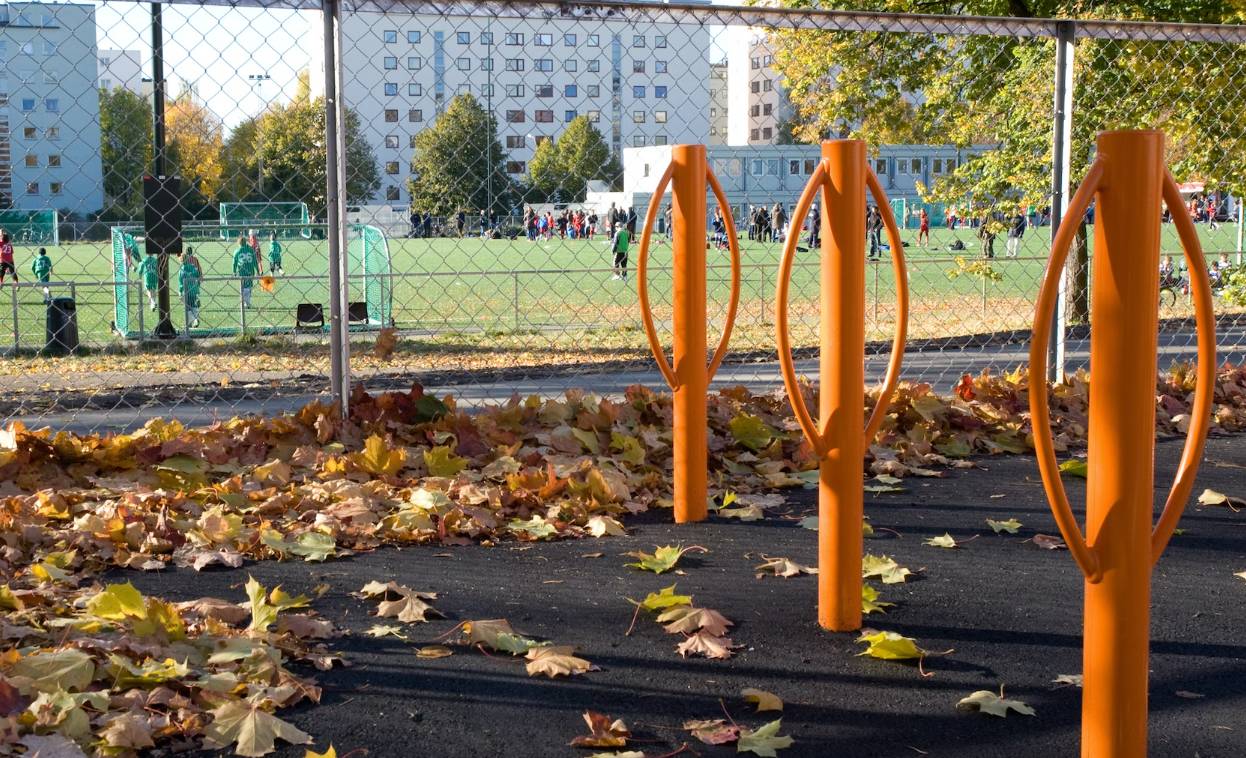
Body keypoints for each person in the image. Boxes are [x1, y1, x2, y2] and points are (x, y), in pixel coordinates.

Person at [233, 232, 259, 308]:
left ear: (239, 243)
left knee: (243, 287)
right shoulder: (251, 249)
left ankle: (245, 302)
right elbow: (255, 261)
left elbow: (234, 263)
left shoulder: (237, 251)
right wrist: (257, 270)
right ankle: (246, 302)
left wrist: (234, 271)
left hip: (242, 273)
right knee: (249, 287)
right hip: (250, 271)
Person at [179, 247, 203, 327]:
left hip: (187, 291)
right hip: (194, 290)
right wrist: (198, 285)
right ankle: (190, 323)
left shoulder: (181, 270)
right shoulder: (193, 266)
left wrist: (180, 292)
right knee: (194, 306)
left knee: (187, 308)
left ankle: (194, 319)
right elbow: (198, 274)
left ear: (181, 261)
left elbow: (181, 283)